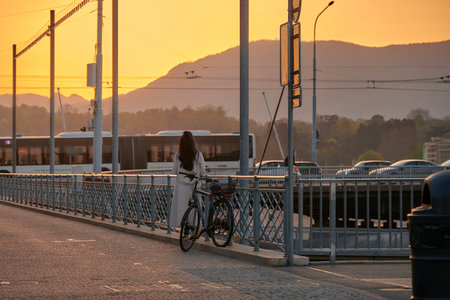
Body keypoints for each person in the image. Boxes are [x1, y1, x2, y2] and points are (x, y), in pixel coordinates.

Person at [169, 131, 206, 227]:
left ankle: (183, 228)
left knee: (181, 209)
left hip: (181, 187)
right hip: (195, 187)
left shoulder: (178, 155)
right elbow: (203, 172)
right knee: (194, 210)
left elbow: (174, 171)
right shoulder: (198, 155)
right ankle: (193, 228)